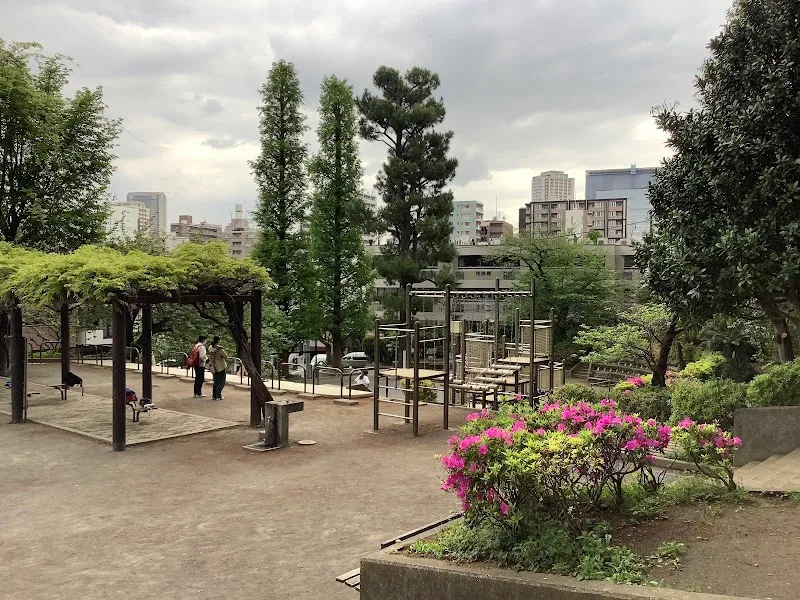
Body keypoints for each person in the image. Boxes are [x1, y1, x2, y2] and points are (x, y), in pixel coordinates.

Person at [207, 336, 229, 401]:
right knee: (221, 381)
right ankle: (218, 395)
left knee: (216, 381)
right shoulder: (219, 349)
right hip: (220, 366)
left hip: (214, 366)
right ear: (218, 341)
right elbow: (226, 356)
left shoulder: (210, 348)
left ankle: (214, 395)